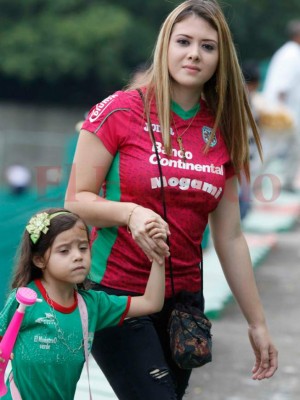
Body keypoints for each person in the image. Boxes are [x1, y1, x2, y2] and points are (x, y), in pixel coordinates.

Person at [65, 1, 278, 399]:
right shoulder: (117, 111)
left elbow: (230, 237)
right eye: (183, 41)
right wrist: (130, 212)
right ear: (166, 45)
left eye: (207, 46)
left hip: (183, 306)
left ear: (220, 58)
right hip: (117, 296)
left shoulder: (223, 128)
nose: (194, 53)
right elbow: (76, 199)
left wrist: (257, 321)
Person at [0, 208, 165, 400]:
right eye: (64, 251)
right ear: (39, 260)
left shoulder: (93, 306)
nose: (78, 256)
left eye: (83, 247)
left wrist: (158, 257)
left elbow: (151, 302)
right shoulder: (24, 299)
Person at [262, 19, 300, 192]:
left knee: (292, 147)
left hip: (285, 112)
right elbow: (282, 88)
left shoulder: (288, 52)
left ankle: (288, 181)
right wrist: (282, 114)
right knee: (271, 148)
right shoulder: (291, 54)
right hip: (282, 112)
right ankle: (252, 180)